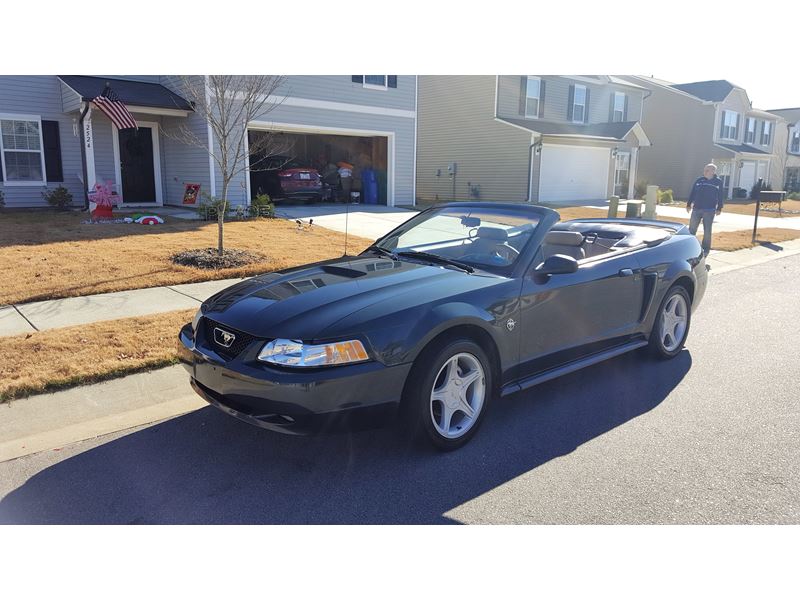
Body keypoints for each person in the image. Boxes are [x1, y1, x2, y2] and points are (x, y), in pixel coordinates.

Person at [687, 163, 724, 256]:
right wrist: (688, 204)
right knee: (691, 229)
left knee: (707, 231)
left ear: (713, 171)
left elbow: (721, 195)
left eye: (707, 170)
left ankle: (705, 249)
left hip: (709, 210)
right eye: (704, 170)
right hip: (696, 209)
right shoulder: (699, 180)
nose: (705, 172)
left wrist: (719, 207)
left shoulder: (718, 182)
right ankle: (689, 247)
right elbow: (693, 192)